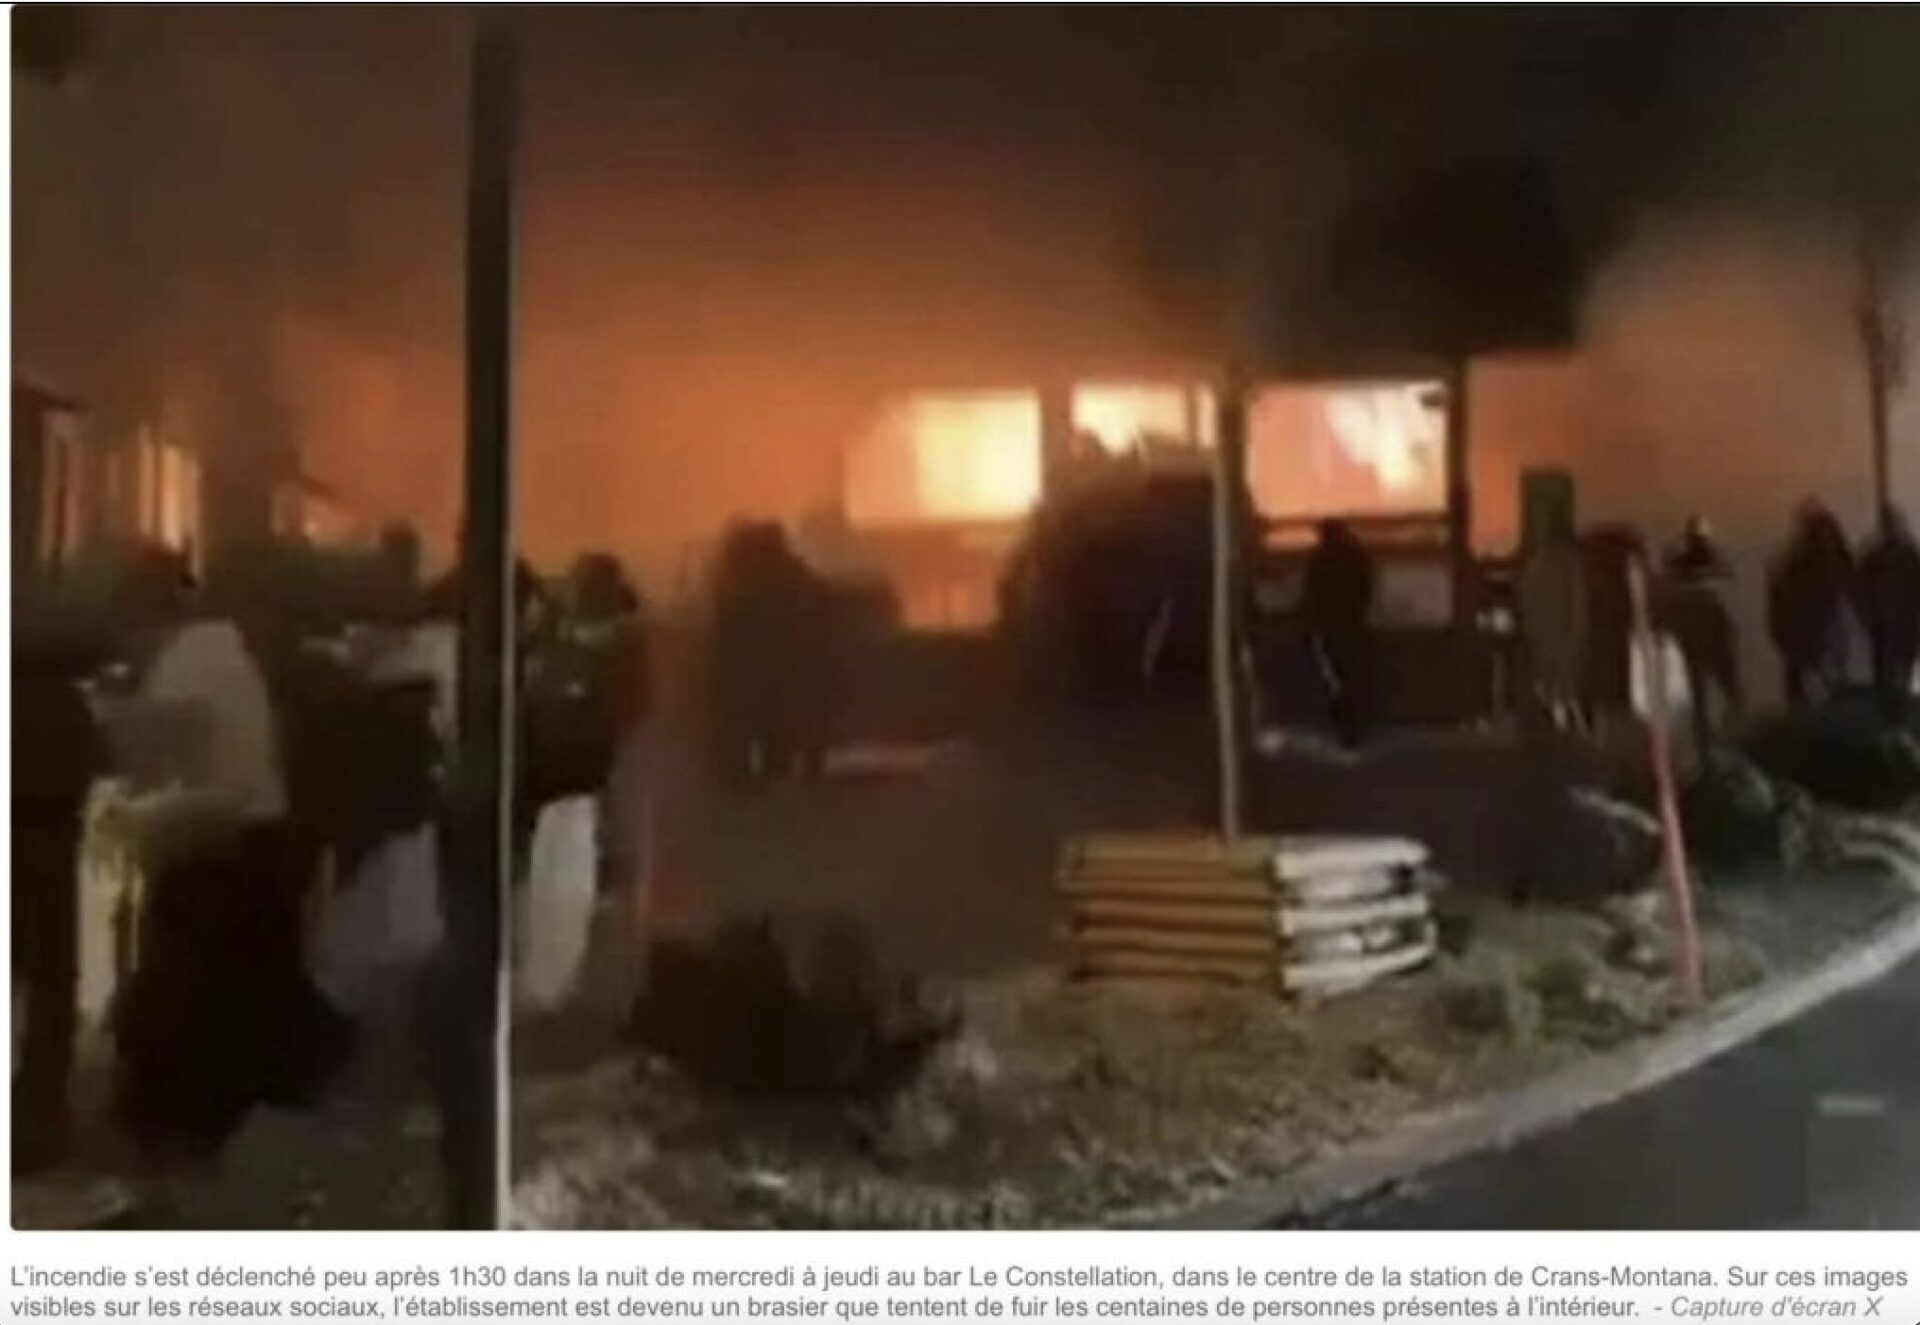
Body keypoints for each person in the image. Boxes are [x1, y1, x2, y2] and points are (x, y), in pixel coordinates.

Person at [12, 622, 107, 1173]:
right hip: (50, 841)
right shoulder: (64, 700)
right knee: (50, 984)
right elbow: (95, 764)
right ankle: (38, 1122)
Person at [1658, 516, 1741, 755]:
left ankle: (1707, 739)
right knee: (1721, 687)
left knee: (1700, 692)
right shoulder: (1708, 587)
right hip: (1705, 635)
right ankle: (1724, 735)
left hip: (1692, 637)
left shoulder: (1681, 567)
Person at [1767, 500, 1855, 707]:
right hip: (1822, 633)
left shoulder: (1788, 562)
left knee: (1802, 688)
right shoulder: (1832, 556)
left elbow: (1778, 604)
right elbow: (1849, 590)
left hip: (1803, 636)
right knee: (1828, 688)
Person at [1300, 518, 1377, 749]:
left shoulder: (1320, 557)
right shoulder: (1356, 554)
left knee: (1337, 675)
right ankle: (1353, 725)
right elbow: (1366, 586)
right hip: (1353, 622)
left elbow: (1311, 592)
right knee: (1353, 675)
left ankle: (1345, 724)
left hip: (1331, 623)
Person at [1516, 511, 1589, 731]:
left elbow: (1526, 603)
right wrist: (1579, 636)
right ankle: (1565, 726)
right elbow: (1578, 606)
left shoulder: (1535, 565)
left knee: (1547, 684)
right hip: (1566, 637)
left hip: (1541, 637)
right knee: (1564, 687)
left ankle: (1555, 722)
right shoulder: (1570, 565)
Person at [1854, 505, 1920, 723]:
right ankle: (1894, 719)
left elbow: (1861, 593)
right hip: (1894, 628)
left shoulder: (1876, 557)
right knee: (1892, 678)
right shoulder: (1905, 556)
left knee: (1890, 678)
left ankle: (1892, 719)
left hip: (1893, 628)